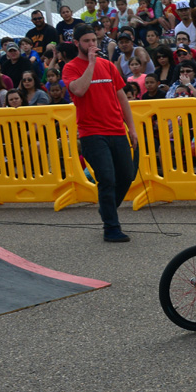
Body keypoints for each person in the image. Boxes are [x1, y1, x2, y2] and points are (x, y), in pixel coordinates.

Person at [61, 25, 138, 242]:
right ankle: (111, 227)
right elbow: (78, 90)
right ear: (77, 43)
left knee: (126, 176)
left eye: (94, 40)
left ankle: (107, 210)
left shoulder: (108, 66)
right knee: (107, 178)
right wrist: (91, 63)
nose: (92, 45)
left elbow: (121, 96)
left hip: (116, 129)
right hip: (91, 132)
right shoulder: (71, 67)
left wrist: (131, 128)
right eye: (86, 41)